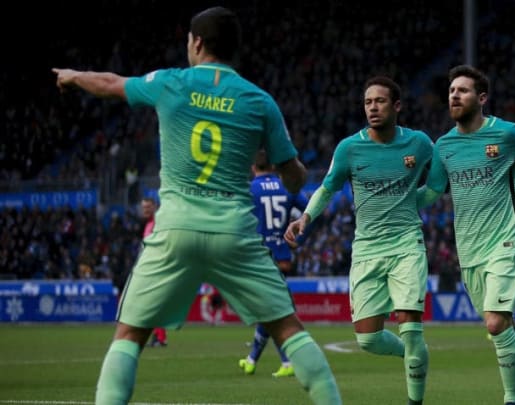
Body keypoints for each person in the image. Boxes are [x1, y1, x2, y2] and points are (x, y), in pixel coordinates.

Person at [52, 6, 341, 405]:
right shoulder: (260, 101)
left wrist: (72, 76)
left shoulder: (170, 83)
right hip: (235, 232)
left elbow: (109, 83)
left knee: (130, 335)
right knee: (289, 329)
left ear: (198, 43)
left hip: (175, 228)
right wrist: (287, 172)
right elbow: (294, 176)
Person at [285, 76, 433, 405]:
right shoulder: (350, 148)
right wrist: (305, 218)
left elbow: (438, 180)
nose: (373, 107)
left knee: (409, 325)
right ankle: (413, 356)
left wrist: (415, 201)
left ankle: (415, 399)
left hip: (407, 244)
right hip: (366, 249)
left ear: (397, 106)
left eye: (380, 101)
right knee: (368, 339)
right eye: (368, 102)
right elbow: (327, 188)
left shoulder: (420, 144)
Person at [418, 65, 515, 405]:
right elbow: (432, 191)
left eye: (462, 90)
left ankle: (512, 398)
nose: (454, 95)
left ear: (481, 98)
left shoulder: (507, 134)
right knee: (501, 325)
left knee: (496, 324)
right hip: (468, 250)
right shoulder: (444, 146)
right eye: (452, 90)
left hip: (505, 242)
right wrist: (395, 198)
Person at [238, 150, 310, 378]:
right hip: (282, 257)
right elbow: (310, 211)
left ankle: (288, 361)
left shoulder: (249, 190)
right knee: (269, 308)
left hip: (259, 257)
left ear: (253, 168)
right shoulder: (286, 186)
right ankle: (251, 360)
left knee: (273, 311)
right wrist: (298, 238)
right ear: (274, 166)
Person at [140, 197, 168, 348]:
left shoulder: (158, 222)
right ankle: (158, 336)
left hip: (158, 268)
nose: (145, 210)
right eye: (143, 207)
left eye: (148, 207)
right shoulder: (149, 224)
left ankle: (160, 337)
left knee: (154, 304)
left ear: (155, 206)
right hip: (150, 268)